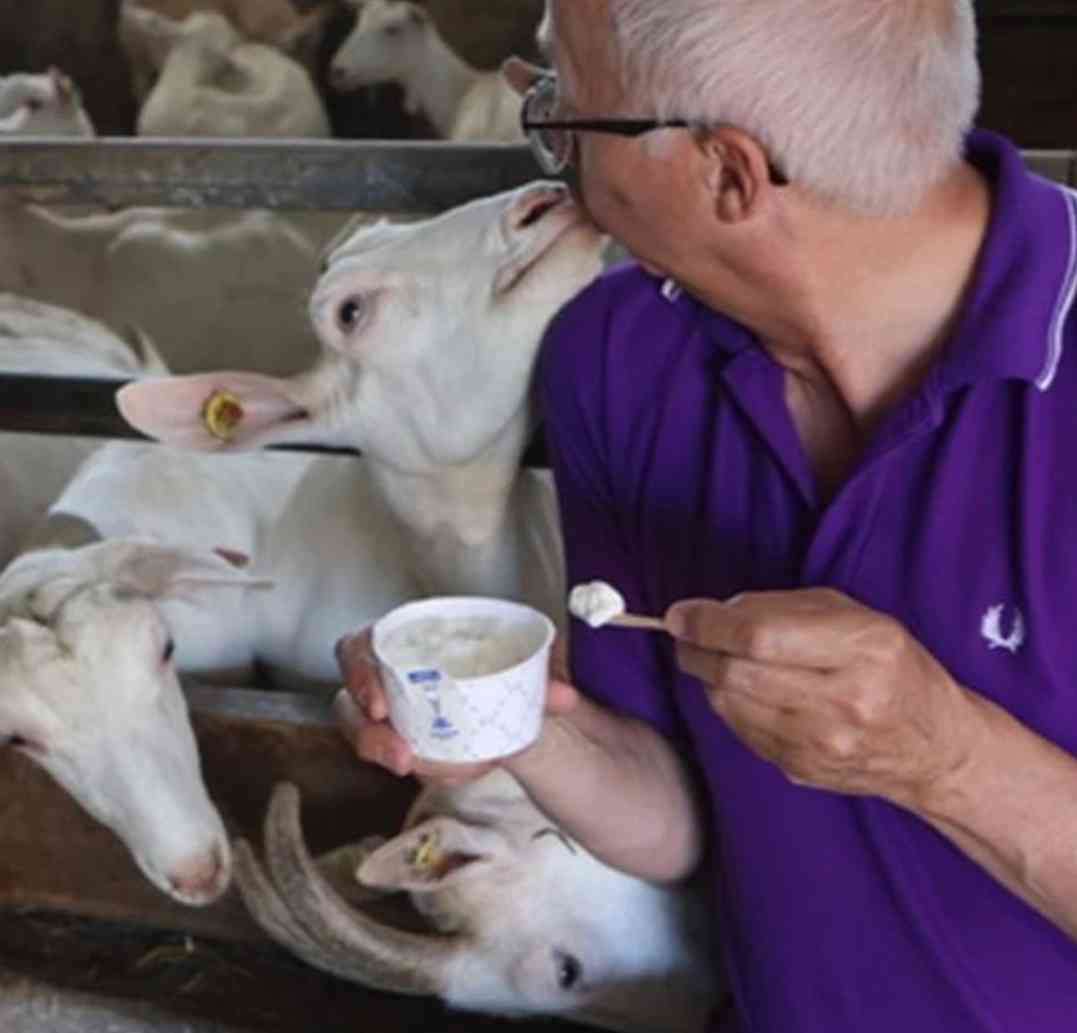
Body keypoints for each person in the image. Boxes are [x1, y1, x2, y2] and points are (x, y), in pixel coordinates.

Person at [335, 1, 1077, 1029]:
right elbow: (687, 818)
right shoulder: (619, 356)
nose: (556, 161)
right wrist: (509, 725)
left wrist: (944, 755)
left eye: (564, 115)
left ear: (727, 173)